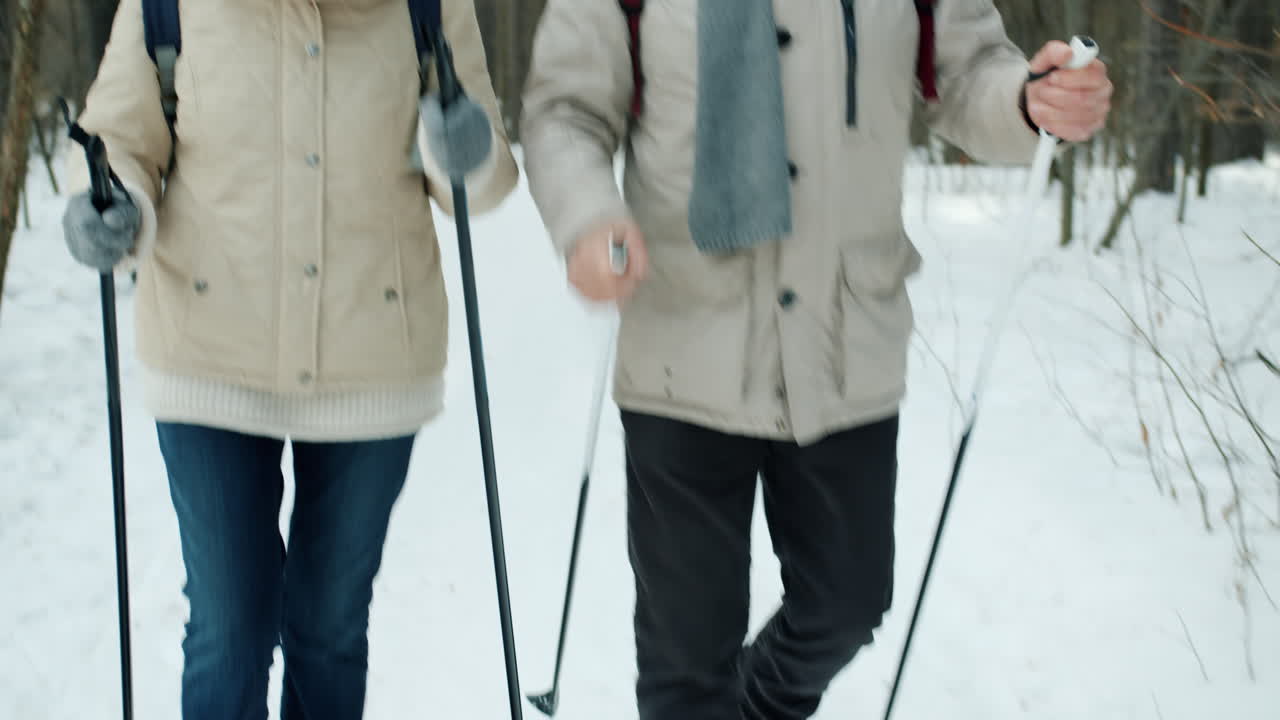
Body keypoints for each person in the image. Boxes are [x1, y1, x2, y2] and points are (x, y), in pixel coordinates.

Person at [521, 1, 1111, 718]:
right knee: (685, 658)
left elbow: (969, 75)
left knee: (847, 604)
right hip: (682, 345)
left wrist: (1031, 99)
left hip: (843, 344)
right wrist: (588, 216)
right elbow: (567, 109)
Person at [59, 0, 516, 717]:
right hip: (207, 352)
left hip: (374, 350)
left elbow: (478, 183)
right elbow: (119, 140)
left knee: (329, 630)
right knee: (230, 628)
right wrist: (108, 203)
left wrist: (466, 149)